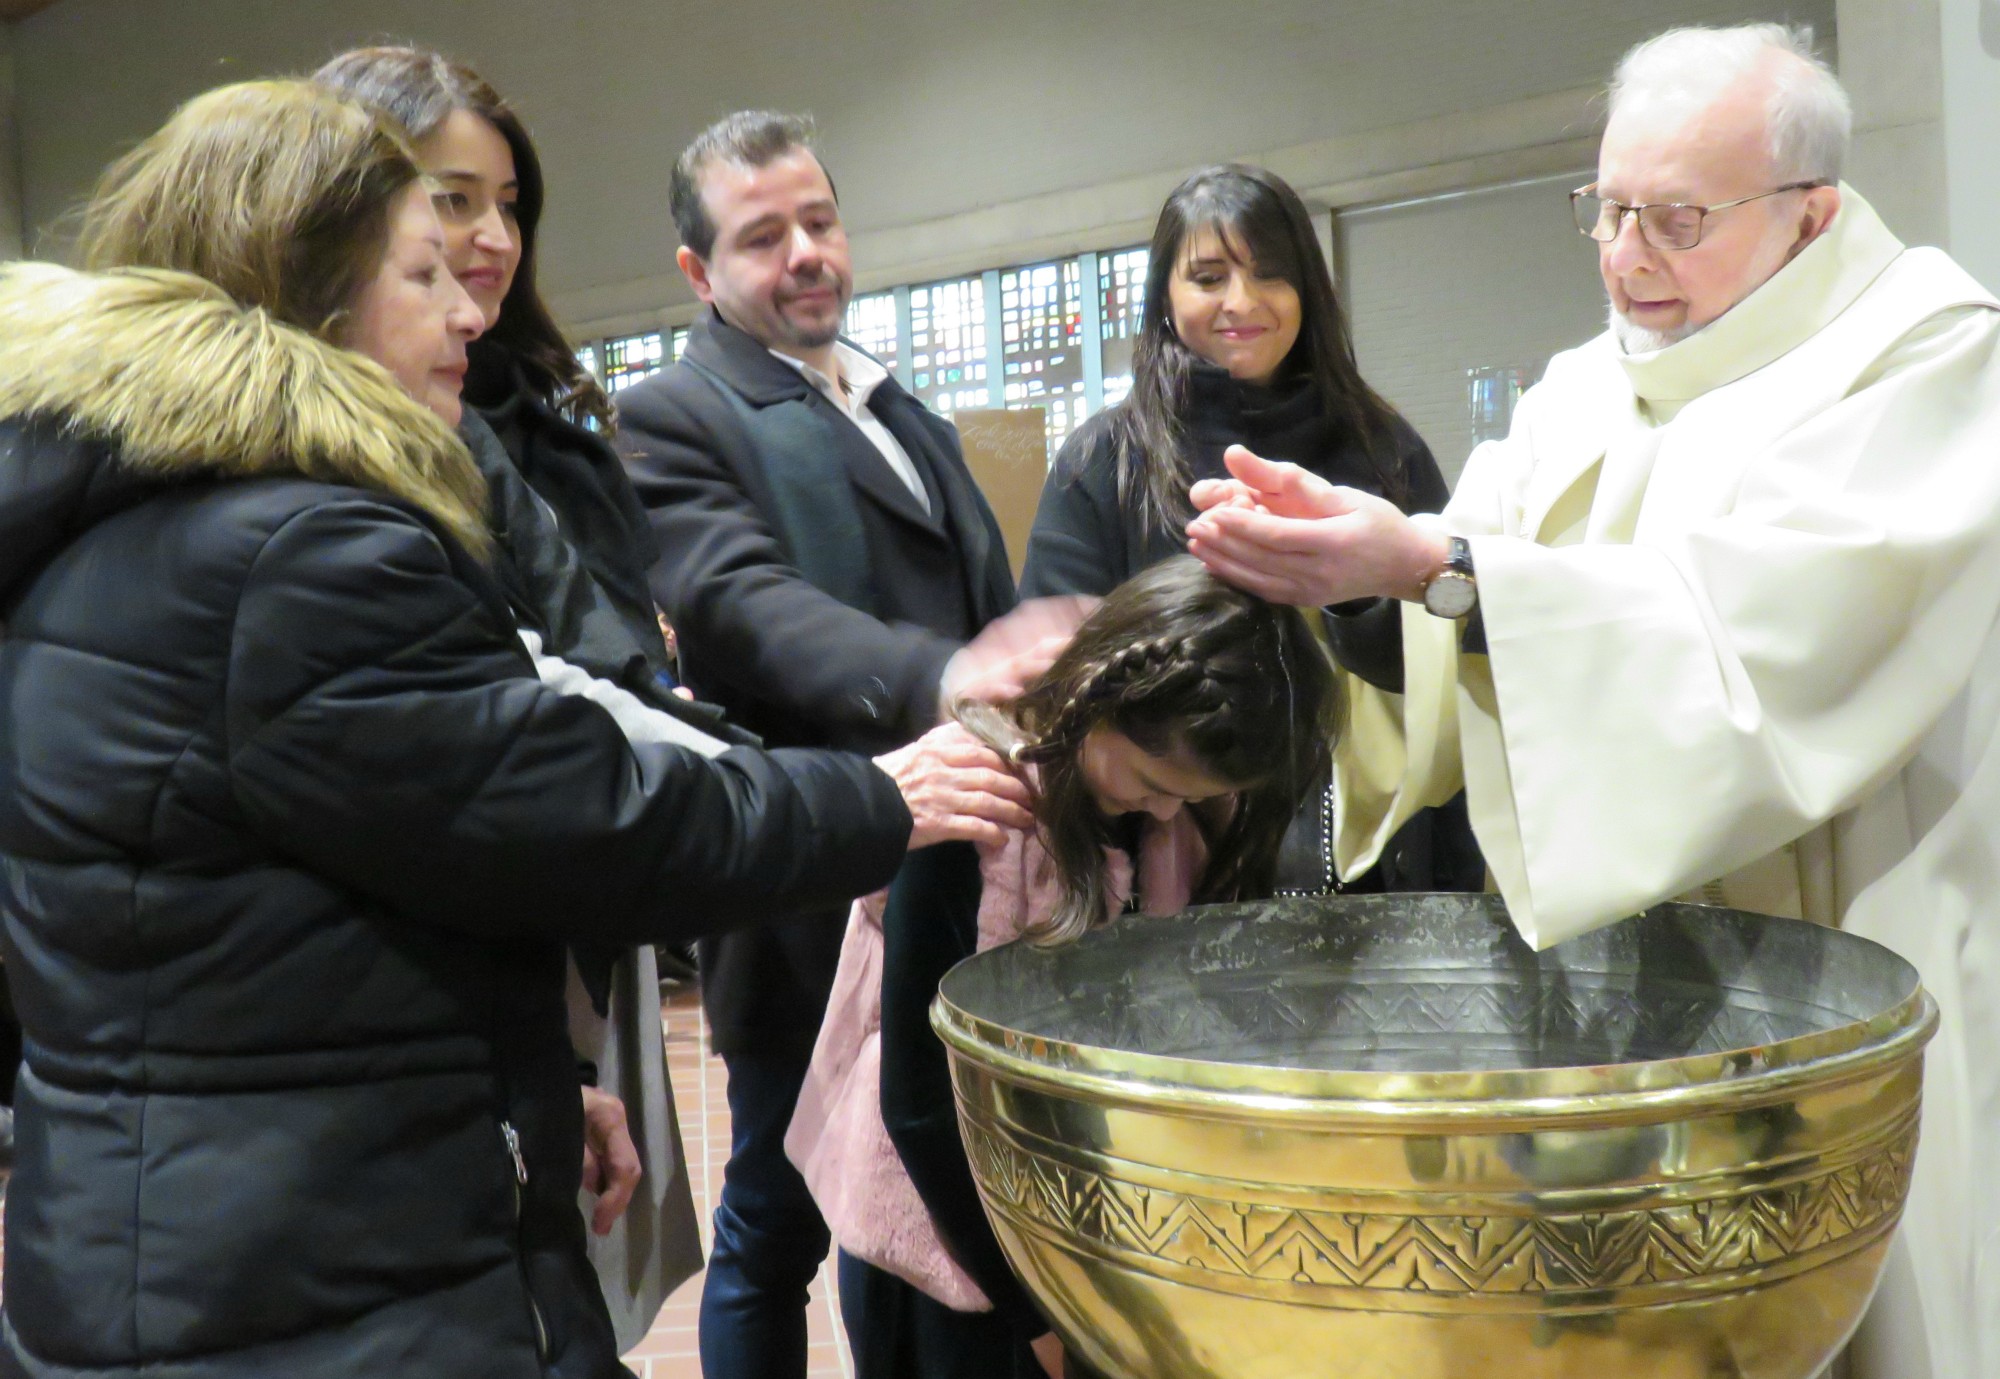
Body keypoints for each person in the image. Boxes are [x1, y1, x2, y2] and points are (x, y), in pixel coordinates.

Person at [0, 80, 1032, 1379]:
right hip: (310, 1289)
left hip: (212, 1234)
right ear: (304, 291)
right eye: (426, 265)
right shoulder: (305, 555)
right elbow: (577, 809)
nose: (471, 307)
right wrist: (883, 795)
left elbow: (293, 923)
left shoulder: (140, 526)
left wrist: (519, 1090)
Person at [1184, 24, 2000, 1379]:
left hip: (1852, 937)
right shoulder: (1587, 385)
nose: (1626, 257)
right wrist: (1368, 574)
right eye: (1606, 209)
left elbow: (1763, 648)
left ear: (1808, 214)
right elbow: (1465, 611)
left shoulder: (1926, 357)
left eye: (1674, 219)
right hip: (1616, 1000)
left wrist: (1440, 566)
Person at [312, 45, 724, 1345]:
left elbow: (603, 657)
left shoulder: (530, 411)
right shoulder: (329, 483)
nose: (486, 248)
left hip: (574, 901)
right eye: (446, 206)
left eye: (507, 207)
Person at [617, 110, 1036, 1379]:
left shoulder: (896, 403)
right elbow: (747, 604)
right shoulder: (675, 414)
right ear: (700, 274)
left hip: (949, 875)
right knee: (780, 1219)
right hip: (805, 883)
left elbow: (987, 594)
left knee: (896, 1216)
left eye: (818, 220)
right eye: (762, 237)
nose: (805, 253)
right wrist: (949, 675)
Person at [788, 557, 1339, 1379]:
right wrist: (1034, 1305)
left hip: (1073, 1228)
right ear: (1097, 704)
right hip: (951, 1242)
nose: (1163, 811)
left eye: (1185, 796)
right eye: (1152, 782)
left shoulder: (1173, 813)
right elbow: (919, 1103)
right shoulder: (972, 805)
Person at [1020, 163, 1478, 895]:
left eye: (1270, 274)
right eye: (1207, 277)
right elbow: (1058, 673)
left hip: (1370, 857)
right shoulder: (1106, 459)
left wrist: (1352, 593)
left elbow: (1449, 664)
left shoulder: (1384, 447)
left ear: (1308, 292)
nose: (1242, 301)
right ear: (1165, 297)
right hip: (1173, 857)